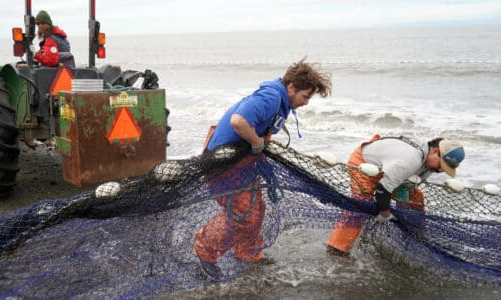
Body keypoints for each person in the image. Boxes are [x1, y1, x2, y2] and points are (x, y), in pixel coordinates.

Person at [193, 58, 332, 280]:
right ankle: (204, 252)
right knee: (243, 213)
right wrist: (257, 143)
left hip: (243, 164)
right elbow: (238, 121)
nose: (306, 103)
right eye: (305, 96)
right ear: (291, 87)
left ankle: (247, 253)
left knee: (256, 209)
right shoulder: (271, 97)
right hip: (222, 165)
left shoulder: (280, 101)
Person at [326, 134, 465, 257]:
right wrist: (385, 213)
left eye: (445, 168)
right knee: (362, 203)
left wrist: (403, 208)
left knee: (415, 198)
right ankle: (336, 249)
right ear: (435, 151)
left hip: (391, 169)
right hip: (364, 163)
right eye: (442, 165)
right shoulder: (410, 160)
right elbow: (382, 189)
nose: (441, 170)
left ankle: (416, 238)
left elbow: (404, 186)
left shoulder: (430, 163)